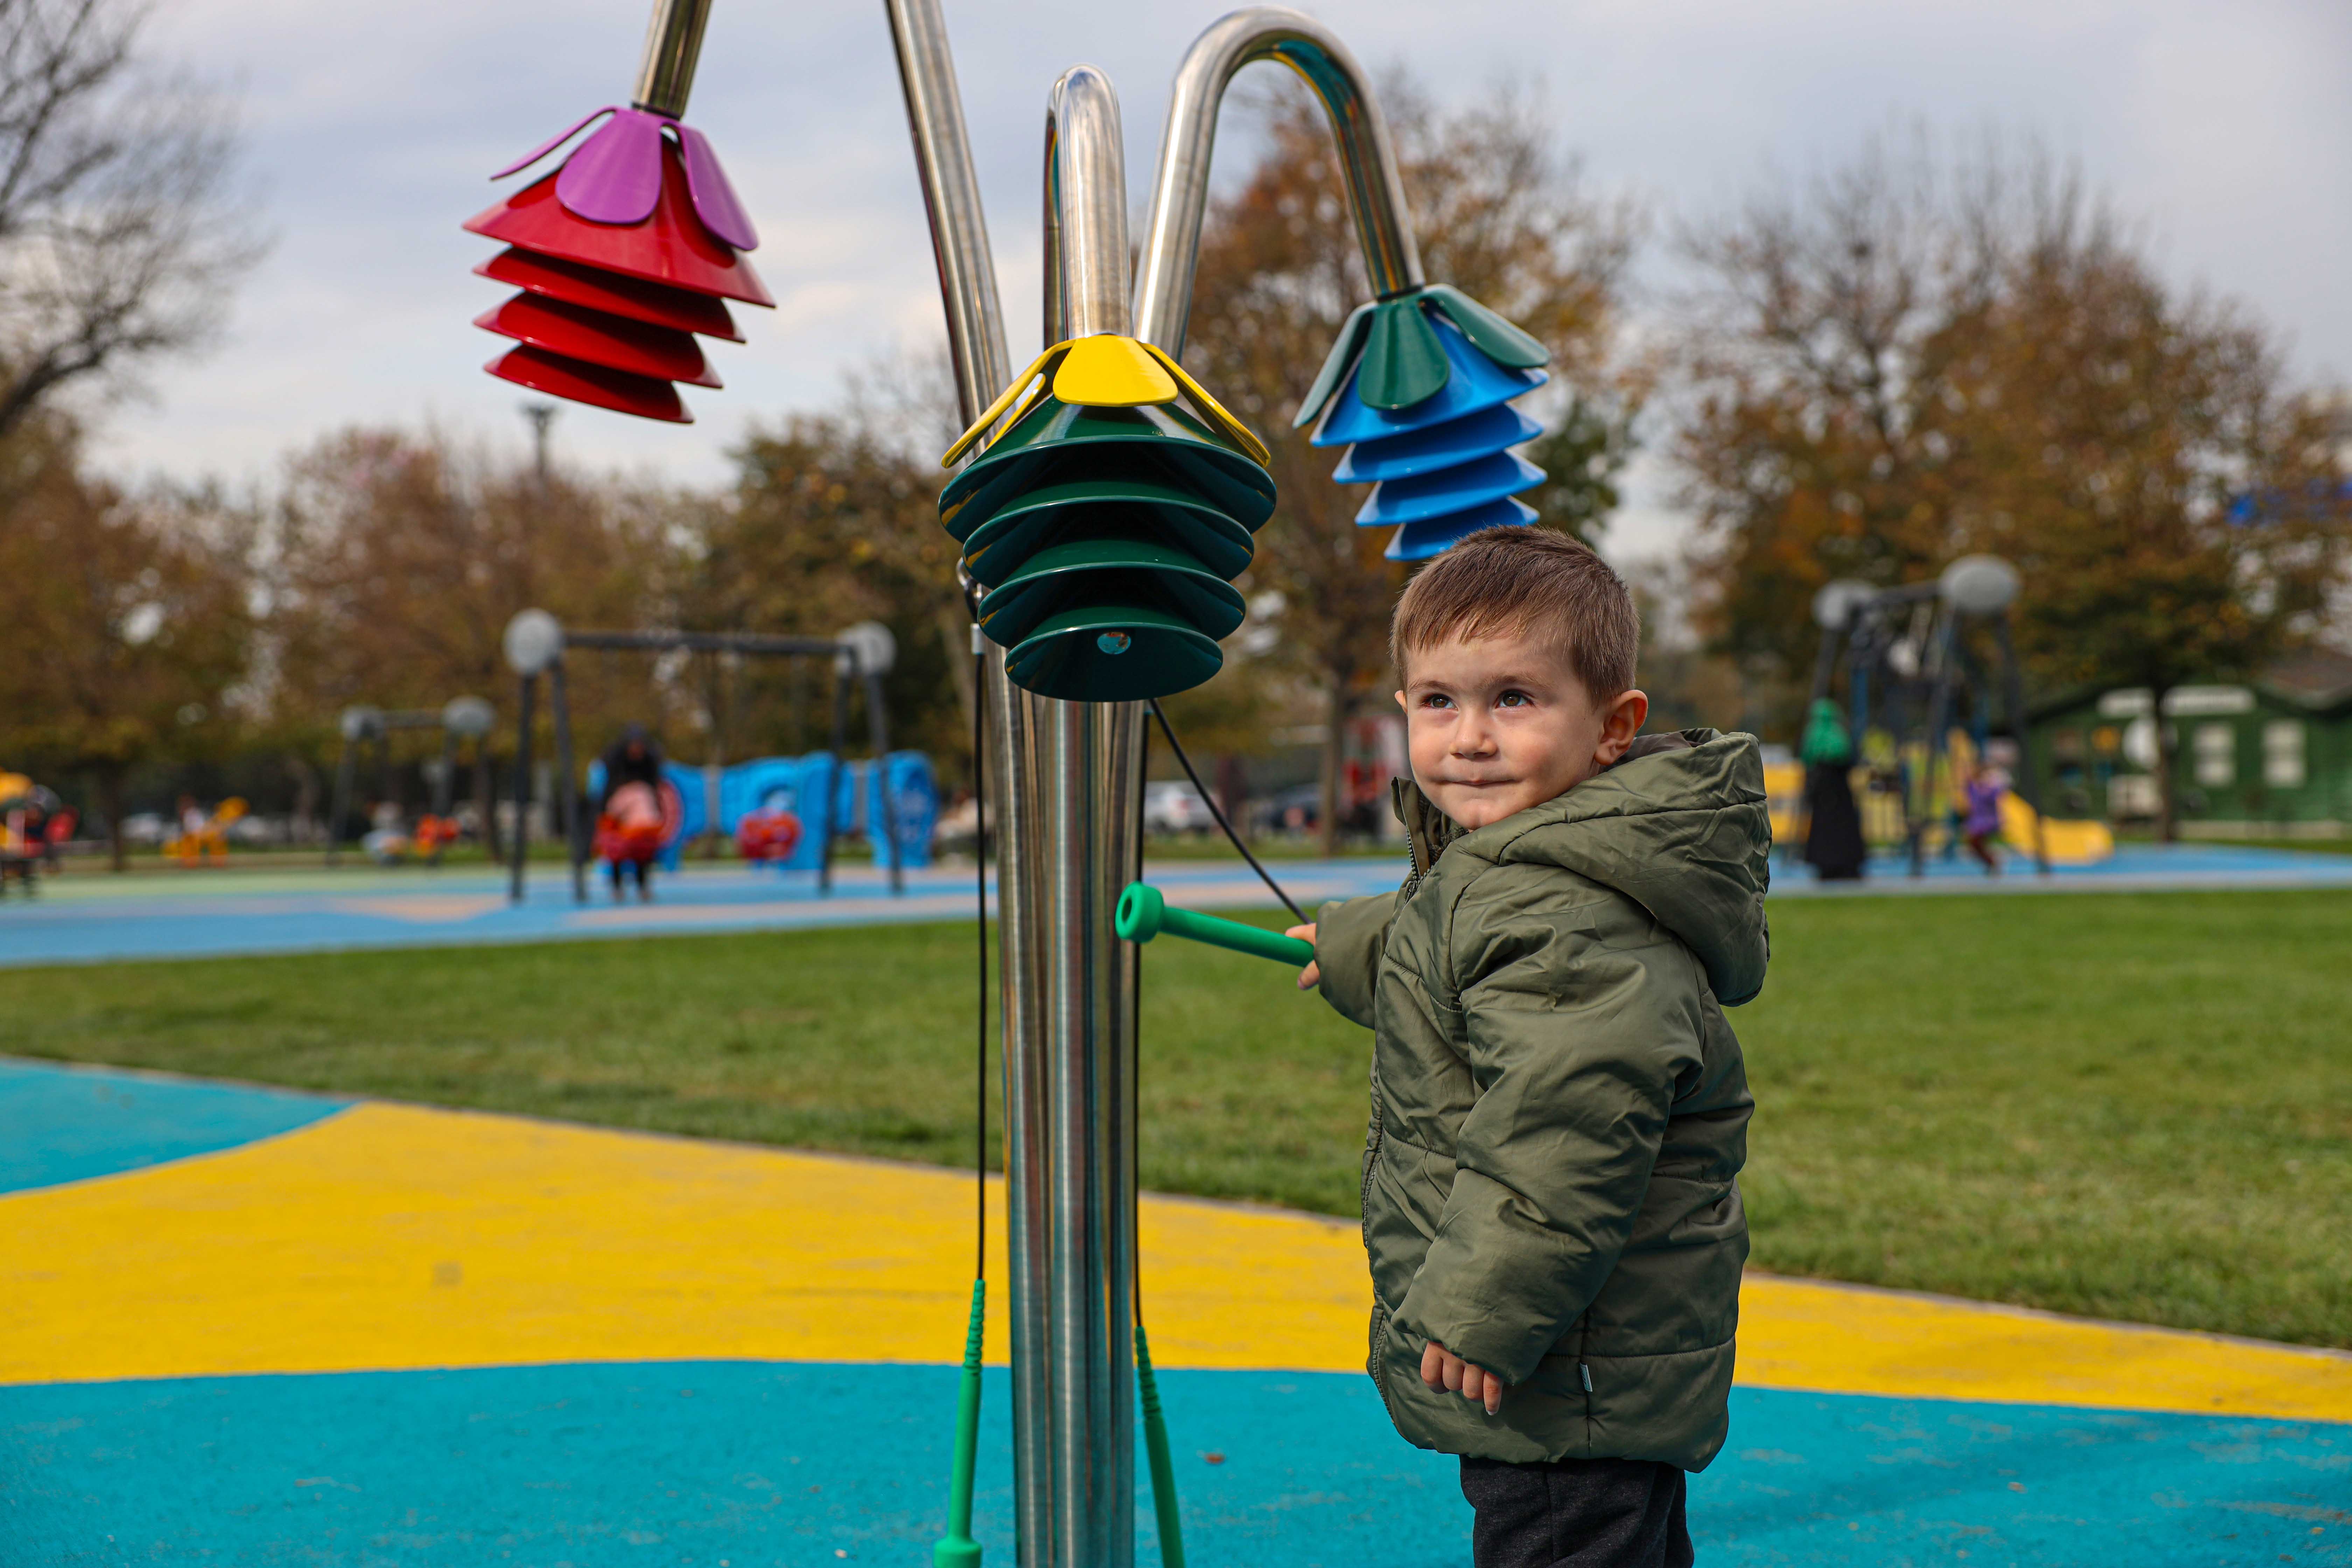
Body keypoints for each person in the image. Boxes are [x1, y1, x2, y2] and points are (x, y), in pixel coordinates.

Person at [1286, 527, 1768, 1568]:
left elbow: (1566, 1125)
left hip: (1558, 1343)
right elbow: (1449, 942)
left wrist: (1481, 1306)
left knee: (1560, 1540)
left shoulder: (1561, 907)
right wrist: (1351, 943)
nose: (1467, 735)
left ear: (1612, 726)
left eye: (1513, 698)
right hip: (1581, 1340)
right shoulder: (1528, 870)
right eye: (1437, 699)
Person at [1798, 696, 1866, 881]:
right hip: (1840, 791)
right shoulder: (1839, 734)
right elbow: (1848, 759)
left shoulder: (1812, 734)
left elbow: (1807, 759)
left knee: (1822, 827)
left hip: (1821, 792)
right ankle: (1847, 865)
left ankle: (1825, 865)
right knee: (1844, 827)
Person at [598, 725, 667, 902]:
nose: (636, 750)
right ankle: (617, 887)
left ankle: (642, 886)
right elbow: (611, 803)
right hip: (621, 818)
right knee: (617, 853)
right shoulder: (617, 771)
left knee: (642, 854)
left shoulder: (648, 774)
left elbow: (654, 792)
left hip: (640, 823)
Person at [1960, 758, 2006, 875]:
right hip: (1978, 821)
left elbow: (1998, 801)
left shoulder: (1992, 790)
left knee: (1976, 842)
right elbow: (1967, 782)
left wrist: (2002, 818)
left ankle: (1992, 861)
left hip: (1987, 821)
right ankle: (1991, 862)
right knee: (1975, 845)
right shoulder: (1974, 788)